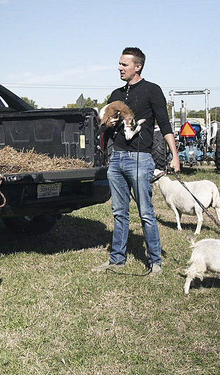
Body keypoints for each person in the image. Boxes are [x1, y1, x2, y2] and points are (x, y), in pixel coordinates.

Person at [92, 47, 180, 275]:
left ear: (137, 66)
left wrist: (175, 156)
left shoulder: (152, 90)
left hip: (140, 159)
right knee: (119, 212)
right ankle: (117, 260)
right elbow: (104, 127)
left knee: (146, 213)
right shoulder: (115, 94)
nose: (119, 68)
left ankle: (155, 262)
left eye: (124, 64)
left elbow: (165, 124)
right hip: (116, 159)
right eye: (119, 64)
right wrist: (108, 125)